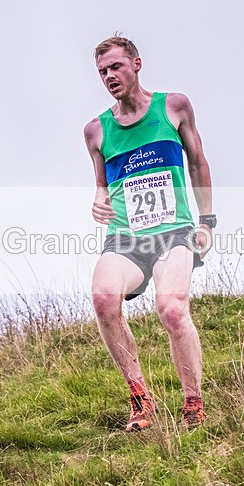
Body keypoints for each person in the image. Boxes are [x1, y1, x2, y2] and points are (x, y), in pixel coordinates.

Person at [83, 36, 215, 431]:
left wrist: (207, 221)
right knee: (103, 299)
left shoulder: (173, 107)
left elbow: (198, 163)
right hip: (125, 236)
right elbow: (102, 187)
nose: (110, 76)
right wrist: (98, 201)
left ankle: (193, 403)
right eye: (103, 71)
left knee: (172, 309)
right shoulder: (96, 131)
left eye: (116, 67)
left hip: (174, 231)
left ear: (136, 64)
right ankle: (140, 397)